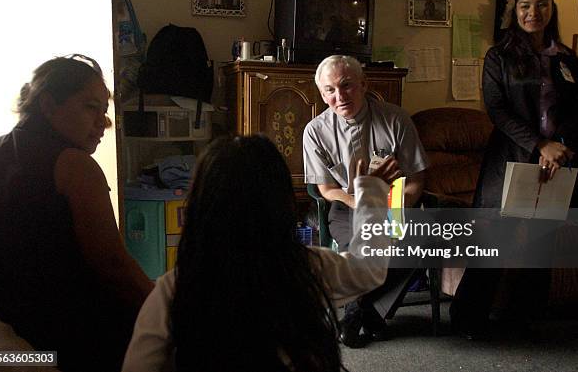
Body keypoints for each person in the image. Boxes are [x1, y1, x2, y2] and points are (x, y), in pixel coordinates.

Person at [121, 135, 399, 372]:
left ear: (199, 208)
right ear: (282, 203)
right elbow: (369, 269)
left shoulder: (175, 288)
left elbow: (139, 364)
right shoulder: (307, 268)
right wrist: (371, 193)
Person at [450, 0, 578, 339]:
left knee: (539, 242)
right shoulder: (499, 56)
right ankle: (469, 320)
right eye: (525, 6)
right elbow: (498, 111)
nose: (534, 12)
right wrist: (539, 144)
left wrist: (559, 145)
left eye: (542, 4)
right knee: (495, 239)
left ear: (552, 7)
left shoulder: (565, 57)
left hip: (557, 161)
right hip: (511, 160)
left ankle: (520, 319)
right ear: (515, 11)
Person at [0, 55, 154, 372]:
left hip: (7, 348)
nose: (103, 124)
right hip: (65, 347)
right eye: (91, 107)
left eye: (104, 112)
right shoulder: (74, 165)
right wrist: (163, 307)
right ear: (49, 105)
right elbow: (113, 266)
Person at [303, 55, 428, 347]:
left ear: (363, 84)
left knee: (422, 240)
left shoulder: (396, 119)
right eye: (329, 90)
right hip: (347, 208)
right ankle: (371, 313)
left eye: (346, 86)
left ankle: (360, 310)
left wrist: (393, 211)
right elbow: (327, 188)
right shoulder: (316, 131)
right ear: (322, 94)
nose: (339, 96)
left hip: (394, 202)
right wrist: (361, 202)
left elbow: (417, 179)